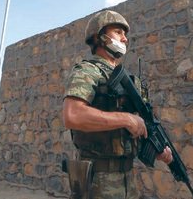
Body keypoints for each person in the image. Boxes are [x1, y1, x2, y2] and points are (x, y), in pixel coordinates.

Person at [63, 10, 173, 199]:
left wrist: (157, 149)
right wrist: (126, 119)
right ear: (100, 37)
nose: (124, 39)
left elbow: (143, 125)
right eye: (118, 32)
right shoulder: (88, 70)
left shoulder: (129, 81)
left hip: (128, 179)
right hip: (97, 180)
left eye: (125, 34)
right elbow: (72, 115)